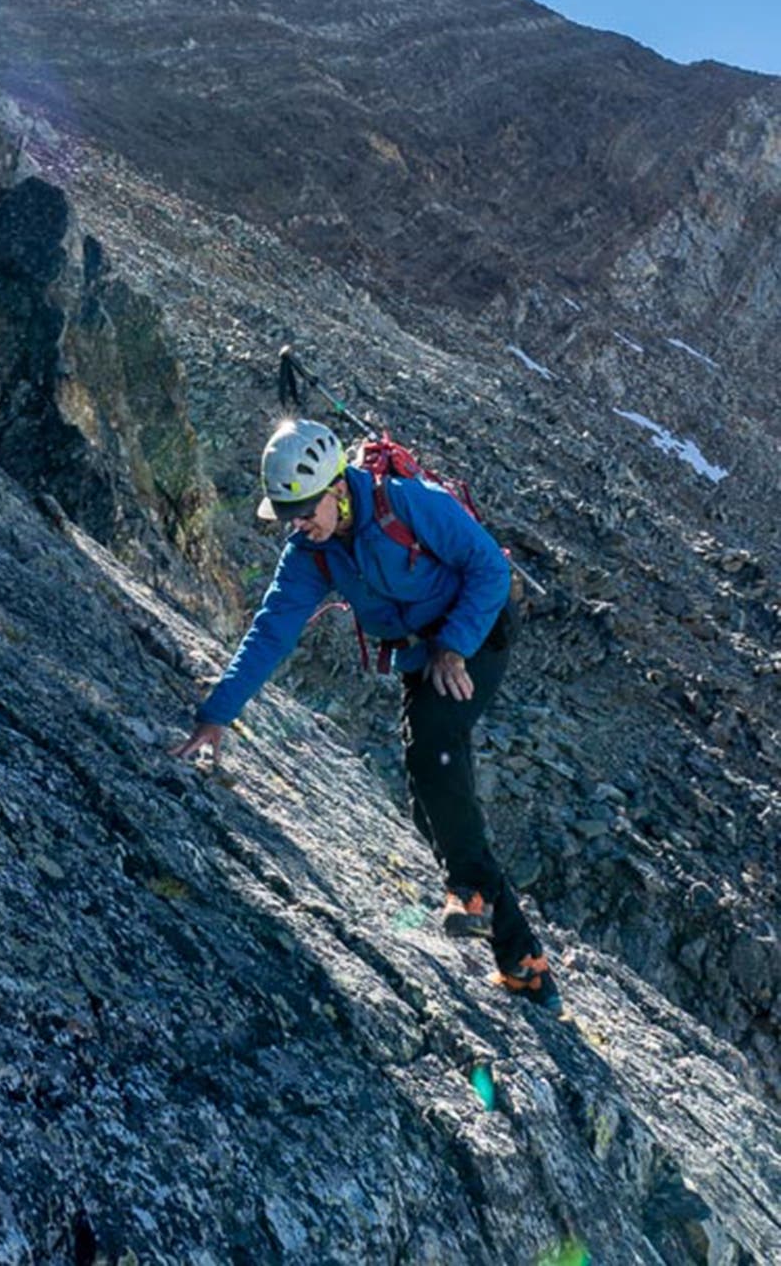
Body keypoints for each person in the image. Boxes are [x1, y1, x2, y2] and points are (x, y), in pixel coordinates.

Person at [172, 418, 560, 1012]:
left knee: (434, 747)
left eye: (305, 510)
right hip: (424, 653)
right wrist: (216, 713)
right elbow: (271, 631)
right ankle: (524, 961)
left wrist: (455, 644)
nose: (298, 526)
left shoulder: (406, 503)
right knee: (430, 808)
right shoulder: (310, 552)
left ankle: (470, 894)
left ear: (335, 488)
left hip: (475, 637)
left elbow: (489, 569)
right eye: (289, 515)